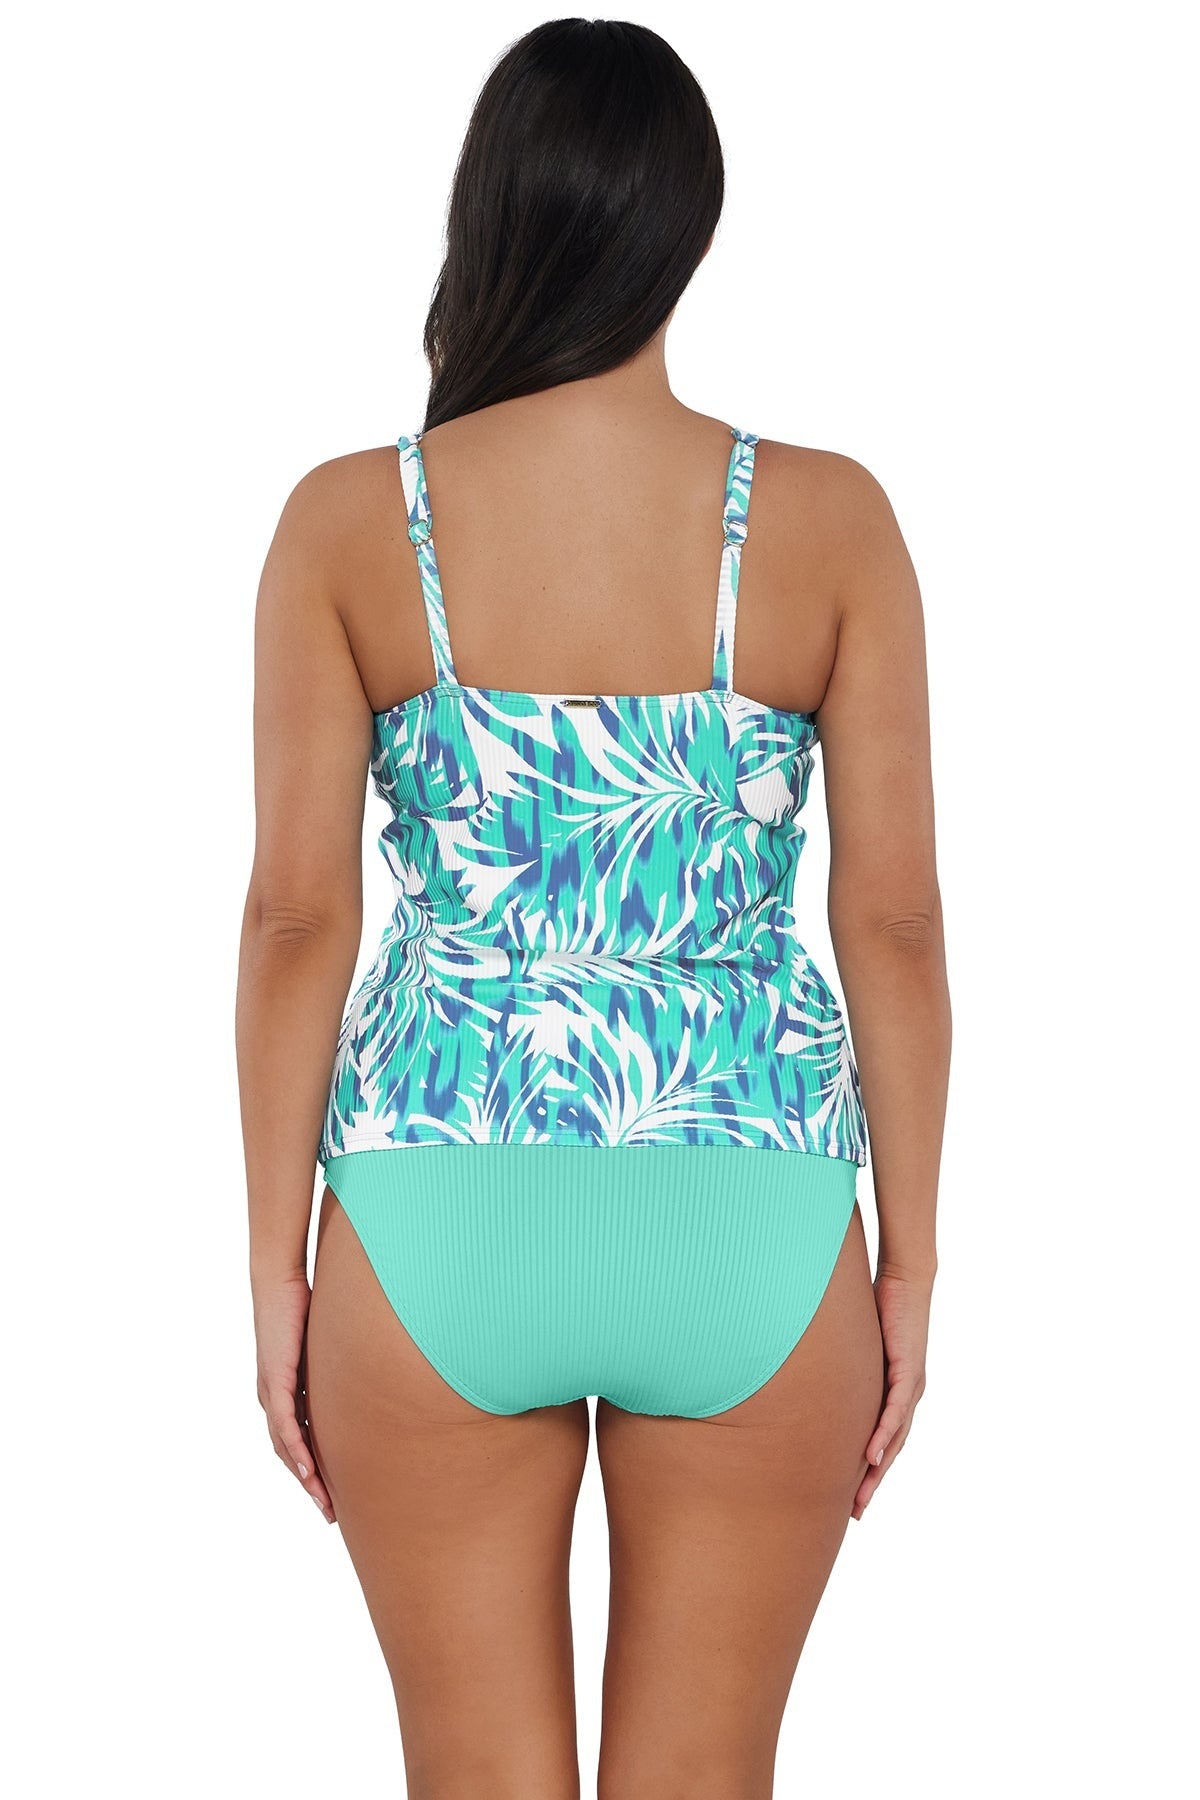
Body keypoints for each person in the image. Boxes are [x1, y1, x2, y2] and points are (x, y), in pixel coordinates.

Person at [235, 17, 951, 1797]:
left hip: (432, 1207)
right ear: (686, 226)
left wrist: (275, 1271)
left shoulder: (352, 524)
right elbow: (896, 925)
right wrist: (911, 1265)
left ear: (486, 213)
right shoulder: (829, 521)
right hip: (754, 1205)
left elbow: (298, 922)